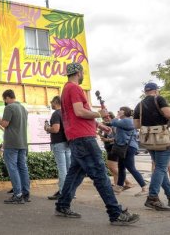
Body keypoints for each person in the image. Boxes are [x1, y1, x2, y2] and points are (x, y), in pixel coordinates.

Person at [55, 62, 139, 225]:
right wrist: (98, 113)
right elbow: (80, 112)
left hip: (76, 137)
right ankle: (115, 213)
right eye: (83, 72)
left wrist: (98, 125)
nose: (83, 75)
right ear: (79, 73)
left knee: (76, 173)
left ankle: (62, 205)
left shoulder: (66, 90)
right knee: (100, 174)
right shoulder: (75, 88)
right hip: (83, 138)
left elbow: (75, 115)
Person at [133, 82, 170, 211]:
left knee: (161, 168)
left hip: (148, 141)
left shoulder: (140, 105)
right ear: (156, 90)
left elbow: (136, 125)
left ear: (145, 92)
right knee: (161, 167)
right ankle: (152, 197)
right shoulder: (159, 99)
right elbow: (168, 114)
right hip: (162, 139)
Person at [0, 89, 30, 204]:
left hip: (11, 143)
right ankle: (25, 193)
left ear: (7, 98)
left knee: (13, 168)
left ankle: (18, 194)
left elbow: (5, 124)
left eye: (4, 99)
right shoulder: (23, 109)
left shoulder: (9, 107)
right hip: (23, 142)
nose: (4, 101)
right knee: (22, 167)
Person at [111, 106, 148, 197]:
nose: (118, 111)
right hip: (126, 146)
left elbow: (113, 122)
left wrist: (117, 116)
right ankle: (119, 187)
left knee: (130, 167)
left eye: (120, 110)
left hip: (128, 147)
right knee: (121, 167)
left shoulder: (127, 121)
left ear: (124, 112)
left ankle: (144, 187)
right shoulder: (127, 121)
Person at [98, 112, 133, 191]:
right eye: (104, 118)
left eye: (106, 118)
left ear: (111, 117)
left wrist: (107, 139)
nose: (105, 119)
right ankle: (116, 184)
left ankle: (127, 182)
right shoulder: (107, 125)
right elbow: (101, 133)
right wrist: (101, 133)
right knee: (113, 168)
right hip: (108, 147)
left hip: (114, 147)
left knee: (112, 167)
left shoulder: (115, 125)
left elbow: (117, 138)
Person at [44, 96, 70, 200]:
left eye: (51, 102)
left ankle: (62, 192)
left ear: (56, 102)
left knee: (62, 169)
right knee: (68, 168)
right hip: (68, 143)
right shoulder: (66, 113)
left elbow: (55, 129)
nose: (51, 104)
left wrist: (47, 128)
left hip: (58, 143)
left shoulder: (56, 114)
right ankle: (70, 191)